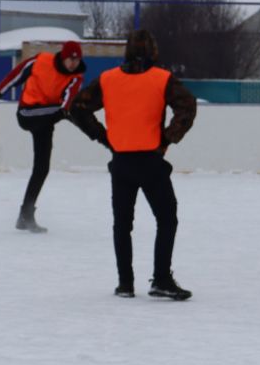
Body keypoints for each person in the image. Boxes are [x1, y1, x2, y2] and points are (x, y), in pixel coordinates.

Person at [67, 28, 198, 300]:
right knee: (166, 218)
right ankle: (161, 278)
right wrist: (167, 139)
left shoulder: (108, 79)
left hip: (121, 162)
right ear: (153, 51)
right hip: (151, 161)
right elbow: (187, 105)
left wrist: (104, 137)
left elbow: (77, 108)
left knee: (122, 224)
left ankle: (125, 283)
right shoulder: (162, 79)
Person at [0, 39, 89, 233]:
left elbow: (68, 98)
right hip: (28, 113)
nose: (73, 63)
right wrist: (1, 89)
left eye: (76, 60)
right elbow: (19, 72)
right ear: (63, 57)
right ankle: (101, 136)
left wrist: (66, 110)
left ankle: (25, 214)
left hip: (47, 119)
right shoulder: (41, 60)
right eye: (70, 60)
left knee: (42, 168)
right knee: (71, 111)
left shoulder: (76, 77)